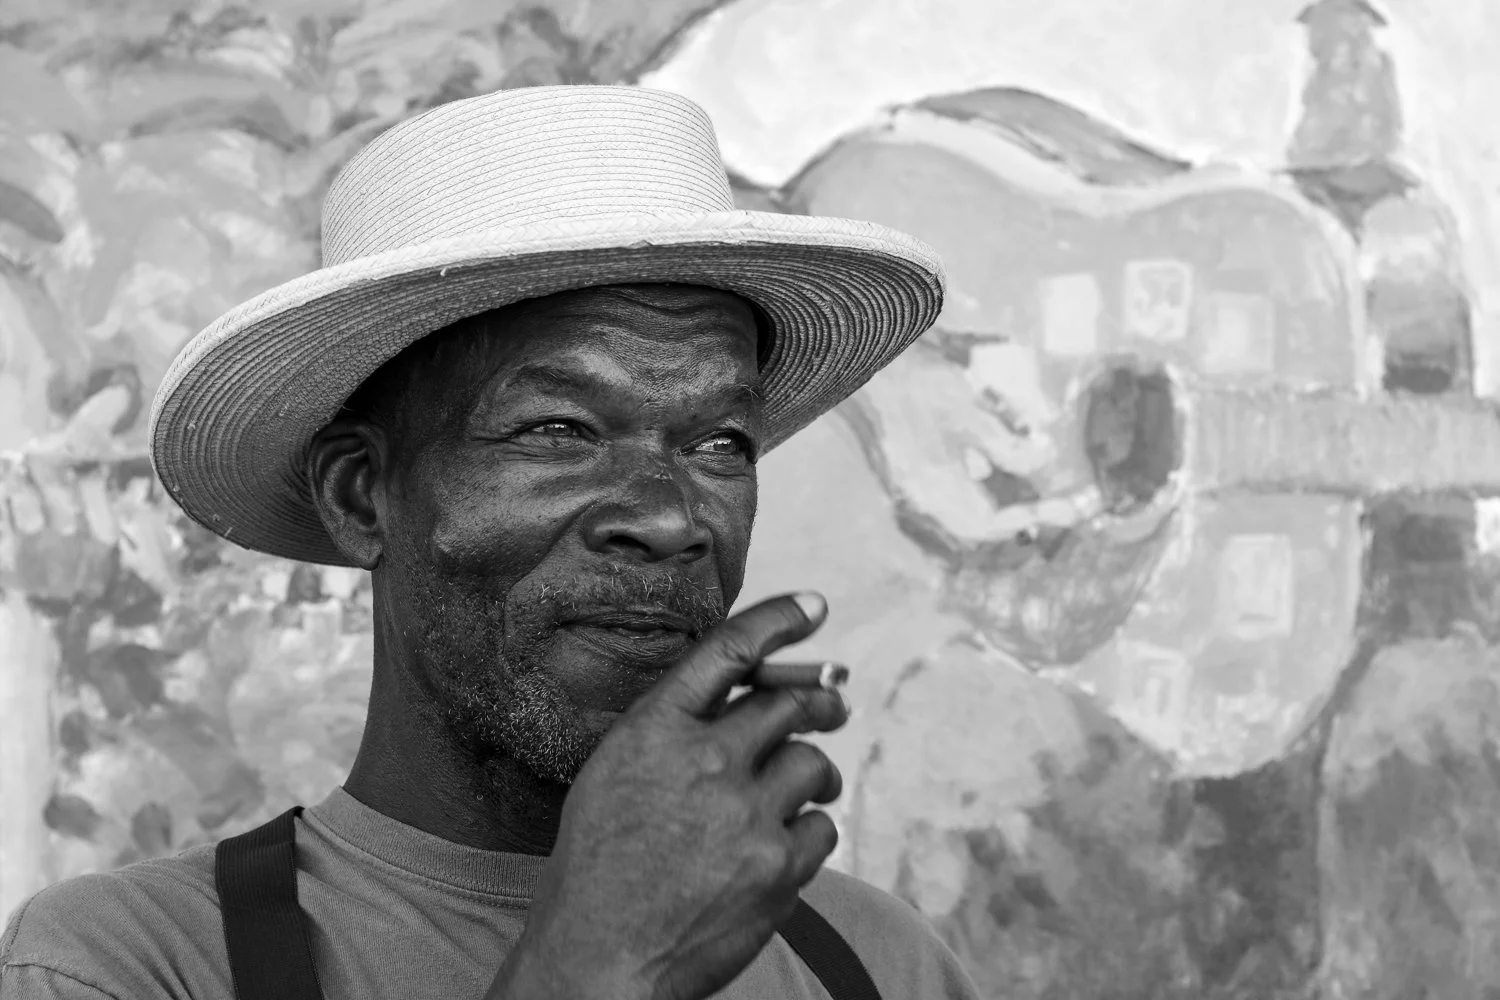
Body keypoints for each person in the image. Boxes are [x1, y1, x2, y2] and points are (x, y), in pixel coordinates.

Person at [0, 85, 979, 999]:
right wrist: (596, 962)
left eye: (720, 442)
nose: (670, 517)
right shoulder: (128, 962)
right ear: (360, 494)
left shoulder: (878, 961)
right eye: (559, 429)